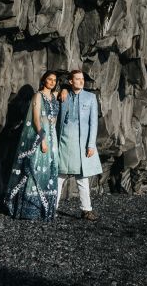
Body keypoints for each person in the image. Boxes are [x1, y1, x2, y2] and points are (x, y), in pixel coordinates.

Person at [3, 70, 60, 221]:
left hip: (52, 135)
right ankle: (29, 210)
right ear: (44, 80)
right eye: (49, 79)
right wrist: (43, 139)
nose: (52, 82)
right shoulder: (38, 96)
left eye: (54, 80)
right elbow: (36, 119)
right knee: (35, 168)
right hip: (40, 135)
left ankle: (45, 209)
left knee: (49, 171)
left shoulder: (54, 97)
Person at [57, 69, 103, 221]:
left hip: (81, 143)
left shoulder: (90, 97)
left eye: (82, 78)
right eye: (77, 79)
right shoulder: (63, 95)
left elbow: (93, 123)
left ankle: (86, 210)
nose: (81, 81)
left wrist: (91, 145)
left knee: (82, 178)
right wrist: (63, 89)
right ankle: (52, 208)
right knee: (60, 176)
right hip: (63, 141)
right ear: (71, 82)